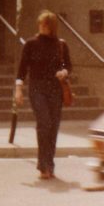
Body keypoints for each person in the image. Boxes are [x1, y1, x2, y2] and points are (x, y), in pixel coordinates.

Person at [14, 10, 72, 180]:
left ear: (52, 27)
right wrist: (18, 89)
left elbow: (68, 65)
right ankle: (43, 164)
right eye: (40, 24)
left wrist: (64, 71)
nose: (42, 27)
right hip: (37, 88)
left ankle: (50, 164)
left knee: (53, 126)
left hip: (55, 89)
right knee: (44, 122)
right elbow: (22, 69)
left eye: (45, 25)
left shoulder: (61, 45)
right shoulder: (31, 44)